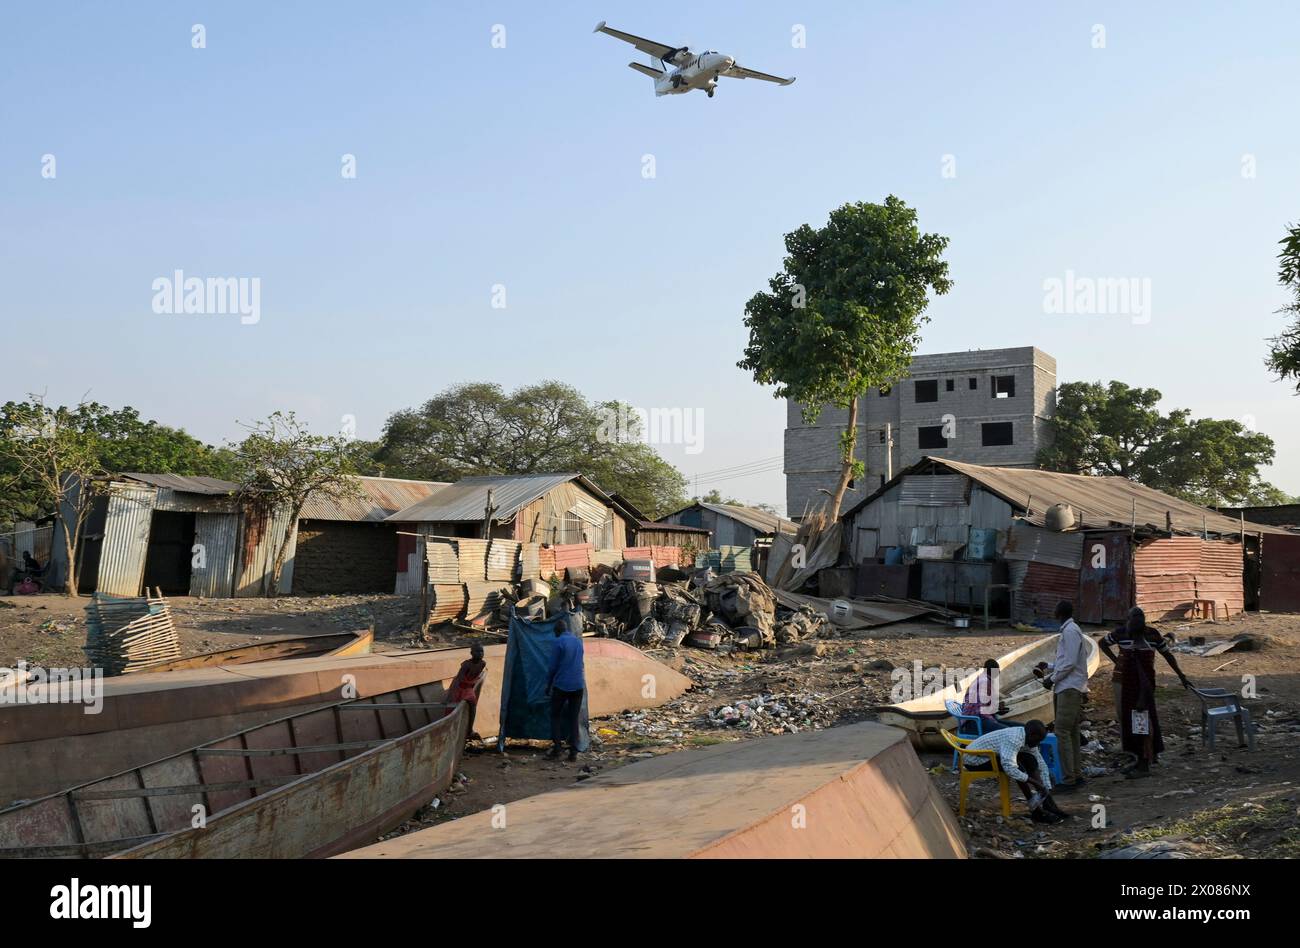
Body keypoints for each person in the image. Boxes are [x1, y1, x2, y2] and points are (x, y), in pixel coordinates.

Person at [1099, 606, 1192, 779]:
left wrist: (1181, 675)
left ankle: (1143, 764)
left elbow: (1146, 678)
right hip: (1132, 690)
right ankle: (1144, 757)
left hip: (1139, 694)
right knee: (1139, 724)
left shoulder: (1139, 652)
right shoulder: (1135, 649)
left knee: (1140, 725)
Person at [963, 719, 1069, 824]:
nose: (1038, 744)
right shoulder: (1013, 740)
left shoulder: (1028, 738)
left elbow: (1041, 764)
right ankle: (1036, 811)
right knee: (1017, 767)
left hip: (990, 755)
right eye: (1038, 740)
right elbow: (1010, 768)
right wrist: (1035, 783)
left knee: (1030, 759)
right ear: (1032, 735)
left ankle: (1048, 803)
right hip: (974, 759)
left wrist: (1046, 789)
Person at [1038, 600, 1089, 791]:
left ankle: (1069, 780)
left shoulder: (1070, 631)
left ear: (1059, 612)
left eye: (1055, 607)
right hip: (1068, 686)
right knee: (1072, 732)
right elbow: (1066, 661)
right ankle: (1076, 774)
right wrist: (1050, 667)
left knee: (1062, 732)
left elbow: (1069, 664)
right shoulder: (1071, 630)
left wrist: (1051, 679)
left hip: (1068, 687)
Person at [546, 615, 586, 762]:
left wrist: (548, 685)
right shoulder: (577, 642)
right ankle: (574, 751)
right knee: (573, 718)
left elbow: (552, 667)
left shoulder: (558, 642)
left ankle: (557, 749)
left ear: (557, 631)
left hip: (562, 685)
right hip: (578, 685)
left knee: (555, 716)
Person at [447, 643, 487, 744]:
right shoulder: (466, 665)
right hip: (459, 687)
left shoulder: (483, 664)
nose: (480, 654)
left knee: (473, 704)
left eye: (482, 651)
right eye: (477, 651)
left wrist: (471, 685)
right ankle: (450, 730)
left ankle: (470, 729)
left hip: (468, 688)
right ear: (471, 653)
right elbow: (458, 679)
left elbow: (475, 676)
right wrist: (451, 694)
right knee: (452, 708)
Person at [960, 659, 1008, 731]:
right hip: (974, 723)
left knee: (1010, 728)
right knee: (1009, 731)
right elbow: (982, 711)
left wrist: (997, 710)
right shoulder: (985, 683)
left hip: (976, 718)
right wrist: (995, 722)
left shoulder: (983, 678)